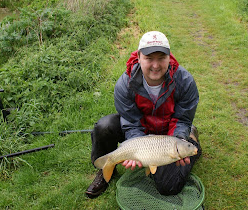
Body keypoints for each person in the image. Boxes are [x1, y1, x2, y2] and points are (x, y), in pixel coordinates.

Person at [86, 31, 201, 198]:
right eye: (149, 58)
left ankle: (190, 140)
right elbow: (131, 123)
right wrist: (135, 151)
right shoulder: (125, 84)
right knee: (105, 126)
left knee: (168, 187)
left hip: (167, 136)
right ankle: (104, 171)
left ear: (169, 57)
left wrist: (179, 139)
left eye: (161, 57)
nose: (155, 65)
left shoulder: (184, 81)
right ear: (139, 57)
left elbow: (182, 118)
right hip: (141, 131)